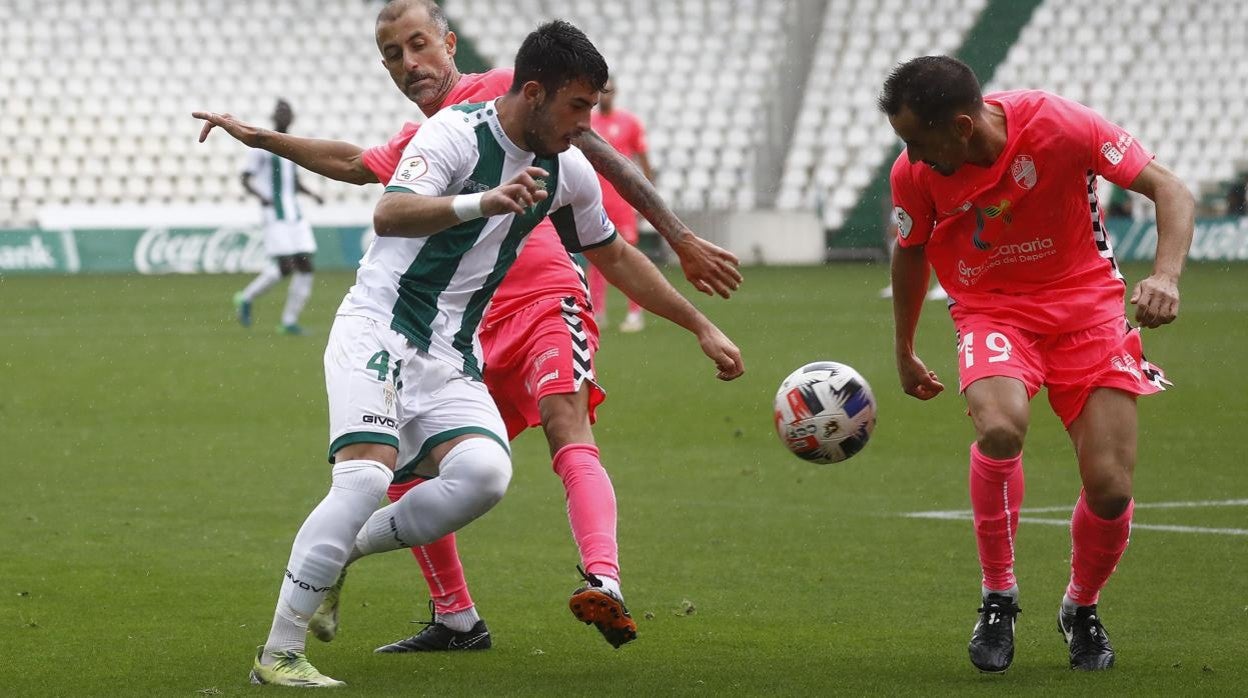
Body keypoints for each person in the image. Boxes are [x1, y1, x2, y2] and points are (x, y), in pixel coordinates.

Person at [194, 0, 741, 655]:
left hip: (541, 299)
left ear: (451, 44)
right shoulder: (435, 136)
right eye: (393, 55)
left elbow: (597, 160)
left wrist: (678, 239)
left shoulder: (519, 97)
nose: (411, 64)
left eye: (419, 45)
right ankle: (453, 616)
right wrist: (261, 139)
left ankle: (604, 579)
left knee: (565, 422)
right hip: (458, 327)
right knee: (416, 472)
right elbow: (354, 166)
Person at [879, 56, 1193, 674]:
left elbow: (1170, 188)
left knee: (1111, 489)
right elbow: (910, 252)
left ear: (963, 126)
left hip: (1089, 312)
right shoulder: (913, 174)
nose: (912, 158)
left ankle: (1082, 606)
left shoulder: (1061, 125)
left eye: (919, 141)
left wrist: (1166, 275)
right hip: (992, 310)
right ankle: (999, 596)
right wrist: (904, 349)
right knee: (999, 426)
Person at [233, 99, 324, 335]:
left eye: (287, 112)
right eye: (280, 112)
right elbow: (245, 177)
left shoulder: (293, 145)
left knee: (305, 266)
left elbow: (292, 181)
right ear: (274, 116)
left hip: (294, 213)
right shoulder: (261, 144)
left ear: (292, 118)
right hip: (274, 213)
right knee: (285, 267)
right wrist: (261, 196)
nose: (284, 116)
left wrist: (312, 194)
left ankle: (289, 322)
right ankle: (246, 297)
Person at [589, 76, 654, 331]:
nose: (605, 96)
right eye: (601, 91)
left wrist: (646, 200)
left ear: (615, 93)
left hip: (623, 203)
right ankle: (597, 312)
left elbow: (643, 161)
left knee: (629, 258)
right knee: (595, 257)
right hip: (595, 202)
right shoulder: (588, 124)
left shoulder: (629, 123)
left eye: (609, 91)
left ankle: (635, 313)